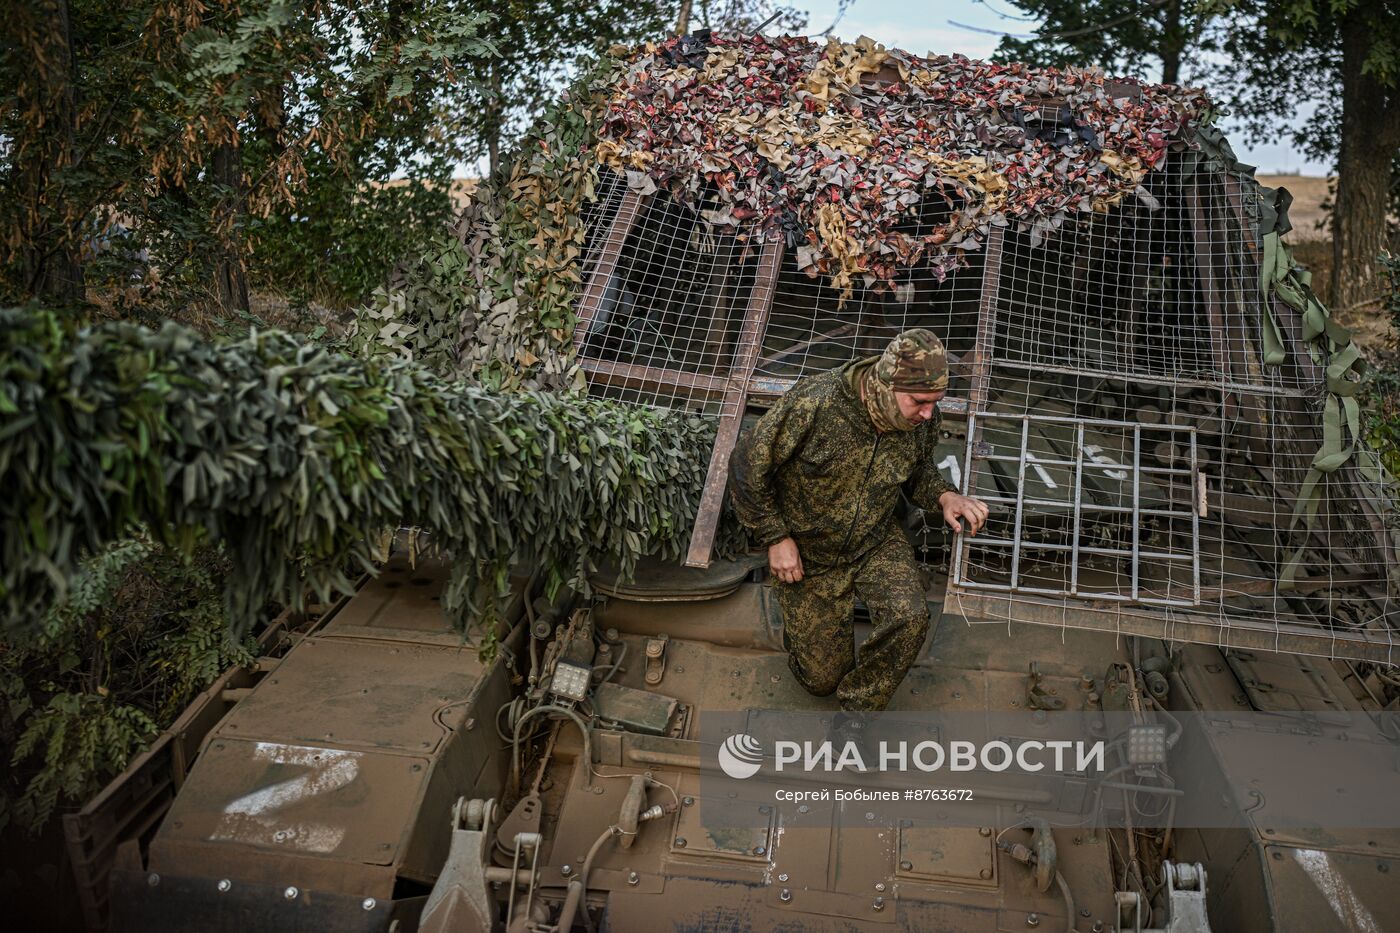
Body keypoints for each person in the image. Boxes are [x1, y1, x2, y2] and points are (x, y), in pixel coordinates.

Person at [729, 328, 989, 718]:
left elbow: (917, 470)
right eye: (919, 402)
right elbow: (746, 465)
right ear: (884, 386)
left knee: (910, 616)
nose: (928, 413)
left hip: (875, 540)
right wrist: (775, 537)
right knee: (820, 681)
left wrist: (945, 495)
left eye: (935, 403)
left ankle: (857, 717)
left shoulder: (920, 421)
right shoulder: (816, 402)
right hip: (809, 553)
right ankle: (810, 631)